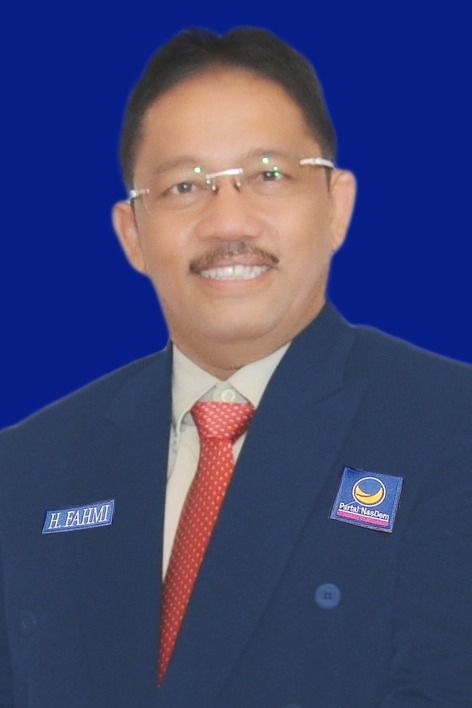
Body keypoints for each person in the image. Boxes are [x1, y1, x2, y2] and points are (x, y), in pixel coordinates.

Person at [1, 26, 471, 708]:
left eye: (269, 175)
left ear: (337, 206)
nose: (228, 223)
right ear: (132, 235)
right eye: (184, 186)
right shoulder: (28, 469)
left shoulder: (450, 428)